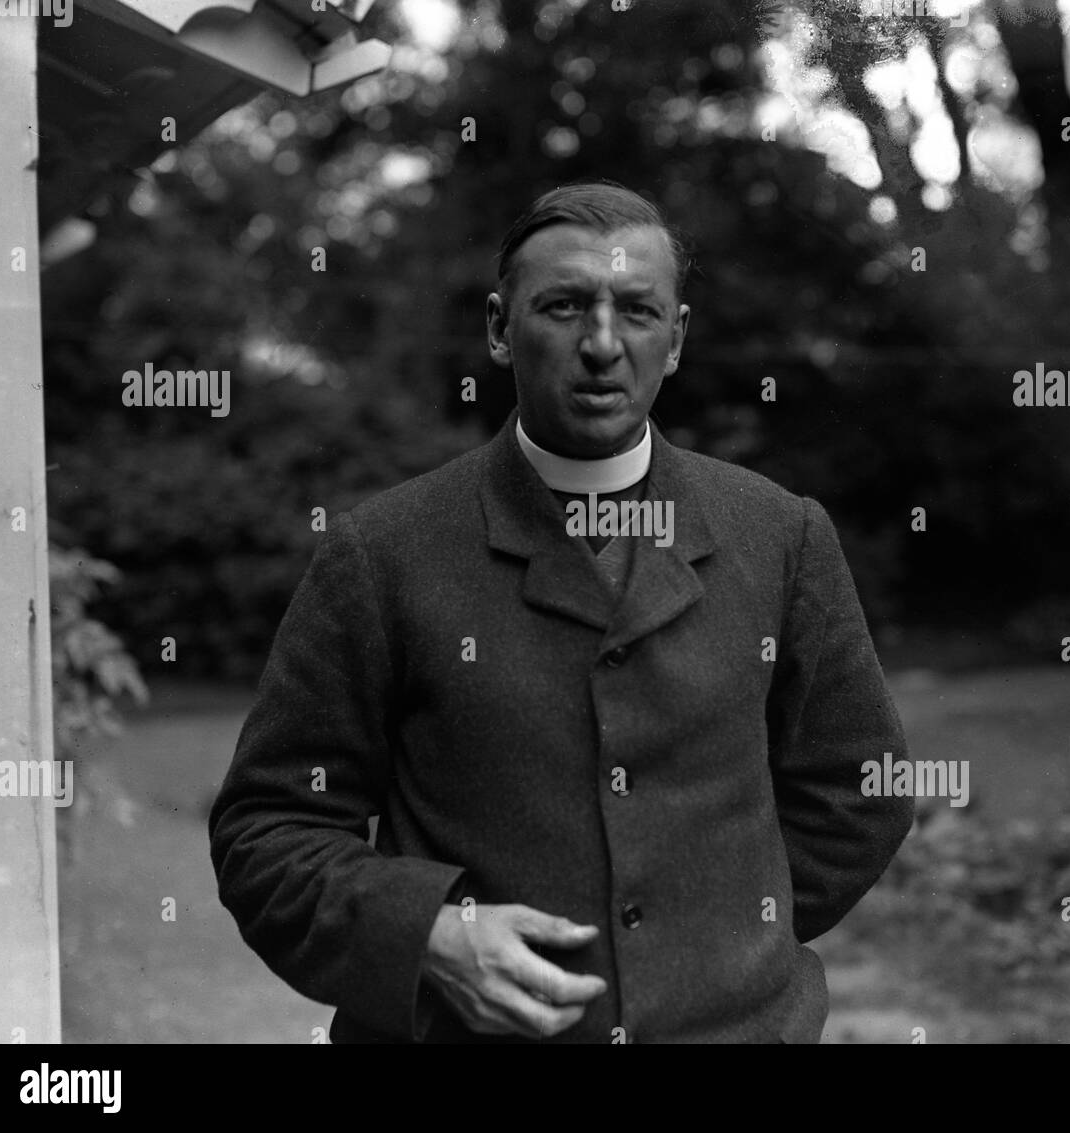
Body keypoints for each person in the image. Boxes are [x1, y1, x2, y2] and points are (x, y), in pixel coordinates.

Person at [208, 180, 913, 1044]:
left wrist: (718, 940)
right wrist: (429, 936)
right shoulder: (384, 552)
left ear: (678, 337)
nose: (603, 345)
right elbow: (268, 828)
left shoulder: (781, 534)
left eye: (638, 311)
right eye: (566, 306)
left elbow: (860, 793)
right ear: (501, 328)